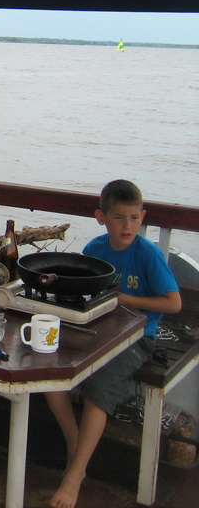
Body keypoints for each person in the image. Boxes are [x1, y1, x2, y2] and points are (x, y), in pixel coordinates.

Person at [44, 179, 181, 508]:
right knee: (49, 367)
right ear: (101, 217)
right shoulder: (95, 250)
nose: (127, 226)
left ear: (143, 217)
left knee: (100, 388)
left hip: (138, 336)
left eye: (134, 218)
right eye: (119, 217)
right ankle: (75, 443)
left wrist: (126, 299)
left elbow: (174, 303)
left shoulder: (147, 254)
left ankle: (74, 475)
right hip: (99, 329)